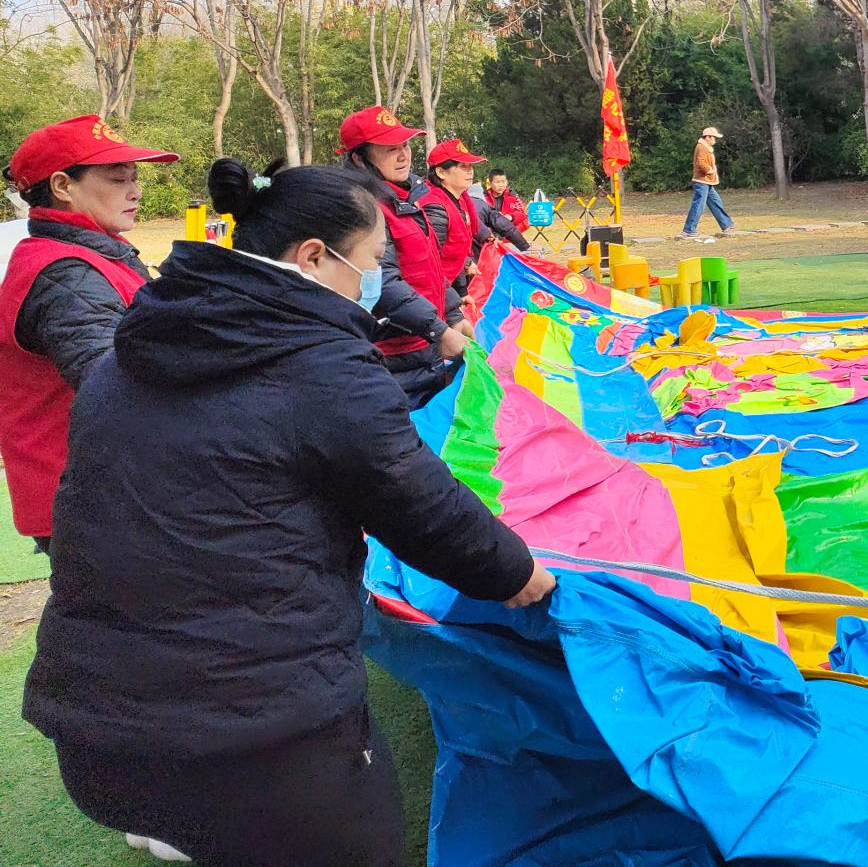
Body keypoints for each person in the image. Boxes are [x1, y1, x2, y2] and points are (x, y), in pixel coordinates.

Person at [24, 159, 555, 867]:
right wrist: (518, 575)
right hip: (258, 737)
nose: (375, 282)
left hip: (95, 723)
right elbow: (420, 504)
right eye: (372, 262)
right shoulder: (323, 365)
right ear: (313, 257)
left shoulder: (137, 342)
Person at [0, 116, 176, 557]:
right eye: (118, 179)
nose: (135, 192)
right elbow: (117, 383)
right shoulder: (64, 272)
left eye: (134, 178)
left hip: (106, 486)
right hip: (95, 496)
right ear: (62, 186)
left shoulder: (92, 254)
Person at [337, 105, 468, 407]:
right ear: (359, 159)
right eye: (390, 149)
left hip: (424, 343)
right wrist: (439, 330)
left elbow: (426, 268)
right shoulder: (362, 209)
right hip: (393, 353)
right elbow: (381, 280)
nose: (403, 156)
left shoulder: (406, 200)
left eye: (405, 145)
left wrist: (453, 312)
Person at [420, 137, 491, 298]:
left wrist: (462, 290)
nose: (470, 171)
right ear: (441, 172)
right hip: (434, 292)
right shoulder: (435, 208)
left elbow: (453, 251)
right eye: (462, 166)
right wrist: (454, 299)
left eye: (470, 166)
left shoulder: (459, 200)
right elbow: (431, 263)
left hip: (448, 287)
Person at [682, 126, 734, 241]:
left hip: (707, 181)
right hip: (702, 181)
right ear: (708, 137)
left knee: (716, 202)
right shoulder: (701, 147)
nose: (714, 140)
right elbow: (700, 163)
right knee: (698, 206)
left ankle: (726, 224)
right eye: (714, 137)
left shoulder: (705, 147)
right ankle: (689, 230)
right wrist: (709, 170)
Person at [479, 167, 532, 251]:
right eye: (497, 182)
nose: (501, 185)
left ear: (507, 182)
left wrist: (510, 217)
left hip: (508, 237)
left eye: (503, 182)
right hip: (488, 238)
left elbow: (522, 214)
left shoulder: (512, 196)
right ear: (490, 183)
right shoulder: (483, 197)